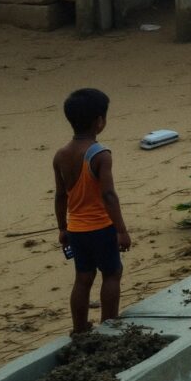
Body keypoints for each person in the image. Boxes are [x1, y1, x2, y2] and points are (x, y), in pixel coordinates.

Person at [53, 87, 130, 335]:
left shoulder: (61, 156)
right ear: (99, 121)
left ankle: (79, 329)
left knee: (83, 278)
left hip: (77, 229)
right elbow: (108, 195)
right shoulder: (100, 155)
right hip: (101, 227)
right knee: (112, 273)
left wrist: (63, 228)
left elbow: (60, 195)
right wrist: (121, 231)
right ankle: (109, 325)